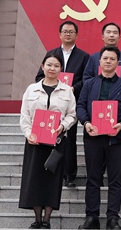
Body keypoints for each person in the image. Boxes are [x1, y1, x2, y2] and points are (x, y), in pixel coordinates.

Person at [76, 46, 121, 230]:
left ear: (117, 63)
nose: (108, 61)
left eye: (112, 59)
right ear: (99, 61)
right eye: (105, 58)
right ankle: (91, 217)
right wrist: (86, 122)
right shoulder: (89, 84)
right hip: (93, 137)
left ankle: (113, 218)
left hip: (116, 138)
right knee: (93, 178)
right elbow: (80, 106)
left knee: (115, 180)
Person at [20, 53, 77, 229]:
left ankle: (47, 219)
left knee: (52, 180)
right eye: (49, 65)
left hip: (56, 141)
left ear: (61, 69)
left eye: (56, 66)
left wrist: (63, 126)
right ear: (42, 66)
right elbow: (25, 116)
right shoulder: (31, 89)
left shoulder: (67, 91)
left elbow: (72, 115)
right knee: (35, 179)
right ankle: (37, 218)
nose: (52, 68)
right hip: (35, 142)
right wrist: (29, 134)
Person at [35, 21, 89, 188]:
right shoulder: (51, 54)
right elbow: (39, 77)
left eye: (71, 31)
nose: (68, 34)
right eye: (65, 31)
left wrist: (73, 88)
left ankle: (69, 174)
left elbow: (86, 80)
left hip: (70, 102)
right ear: (59, 34)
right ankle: (48, 170)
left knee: (69, 139)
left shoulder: (83, 56)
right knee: (46, 137)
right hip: (50, 103)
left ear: (76, 35)